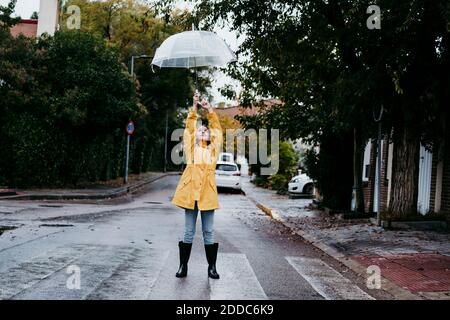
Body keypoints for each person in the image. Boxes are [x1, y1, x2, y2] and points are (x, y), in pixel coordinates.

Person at [171, 92, 223, 279]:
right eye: (200, 130)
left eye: (205, 130)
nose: (202, 131)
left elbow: (218, 130)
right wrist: (194, 106)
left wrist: (209, 110)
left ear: (209, 135)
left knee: (208, 231)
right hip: (190, 193)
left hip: (207, 194)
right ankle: (183, 266)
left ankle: (212, 268)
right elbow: (189, 129)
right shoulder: (191, 148)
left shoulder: (213, 149)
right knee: (189, 231)